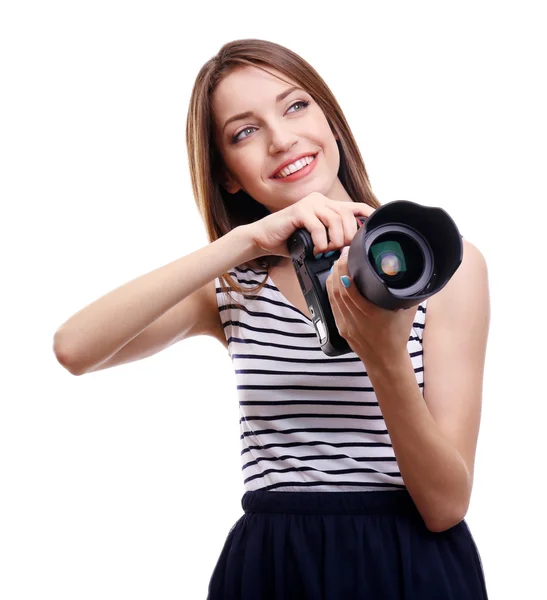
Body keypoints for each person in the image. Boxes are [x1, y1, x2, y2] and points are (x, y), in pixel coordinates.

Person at [53, 39, 490, 599]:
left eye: (295, 106)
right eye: (244, 132)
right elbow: (74, 347)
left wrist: (385, 359)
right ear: (228, 175)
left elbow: (446, 506)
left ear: (331, 120)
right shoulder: (232, 286)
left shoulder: (438, 262)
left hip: (410, 562)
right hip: (274, 565)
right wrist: (243, 242)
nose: (282, 139)